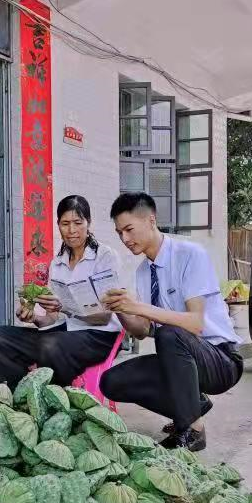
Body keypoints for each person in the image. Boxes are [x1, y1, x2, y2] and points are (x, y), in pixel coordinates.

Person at [100, 192, 243, 452]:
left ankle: (193, 430)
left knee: (170, 334)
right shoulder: (144, 271)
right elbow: (142, 331)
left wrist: (139, 305)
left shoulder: (190, 254)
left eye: (129, 229)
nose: (125, 239)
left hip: (220, 360)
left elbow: (195, 324)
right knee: (111, 381)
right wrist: (120, 309)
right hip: (179, 361)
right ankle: (192, 406)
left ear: (151, 220)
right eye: (119, 233)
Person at [0, 195, 121, 390]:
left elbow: (103, 317)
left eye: (78, 222)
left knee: (50, 345)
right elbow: (51, 319)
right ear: (58, 225)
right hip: (62, 333)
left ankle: (51, 404)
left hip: (98, 337)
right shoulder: (57, 262)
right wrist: (34, 318)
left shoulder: (105, 256)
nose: (72, 230)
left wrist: (65, 307)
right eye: (65, 223)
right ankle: (13, 398)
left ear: (88, 222)